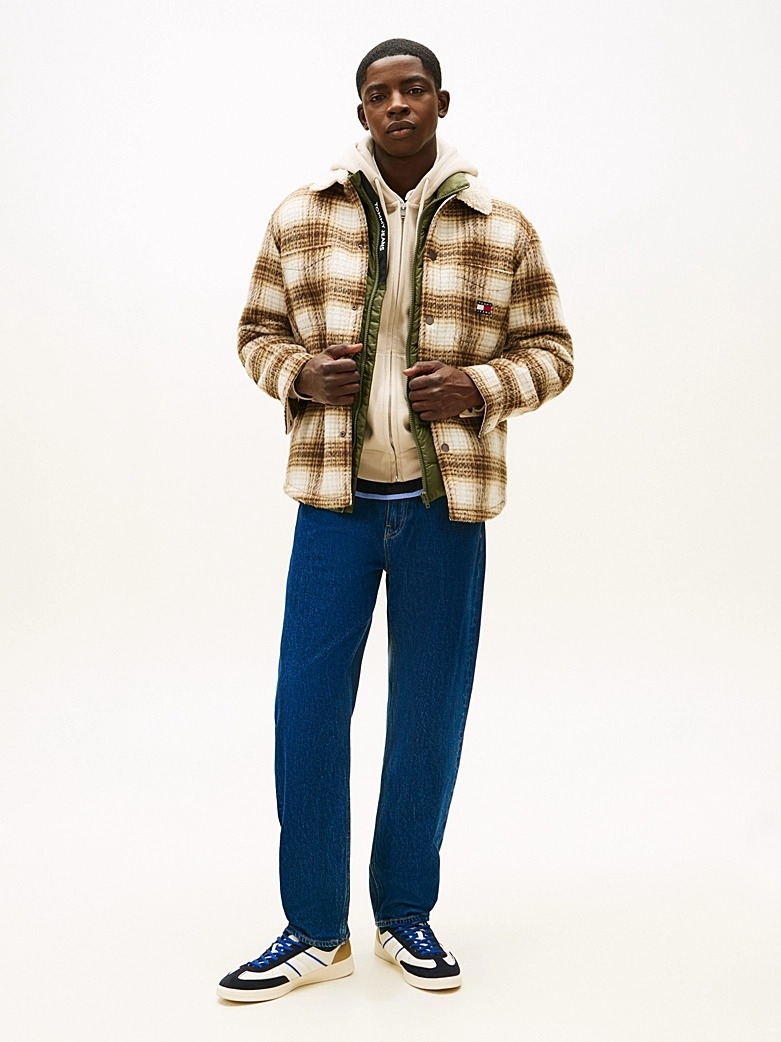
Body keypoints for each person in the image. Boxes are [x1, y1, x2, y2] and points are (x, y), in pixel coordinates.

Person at [217, 37, 573, 1003]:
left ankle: (405, 914)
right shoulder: (302, 216)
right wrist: (299, 374)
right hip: (333, 505)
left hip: (444, 508)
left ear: (440, 101)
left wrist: (480, 386)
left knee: (427, 713)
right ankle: (313, 930)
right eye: (380, 93)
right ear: (361, 112)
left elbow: (551, 351)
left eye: (414, 88)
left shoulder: (501, 226)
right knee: (306, 711)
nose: (397, 104)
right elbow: (254, 334)